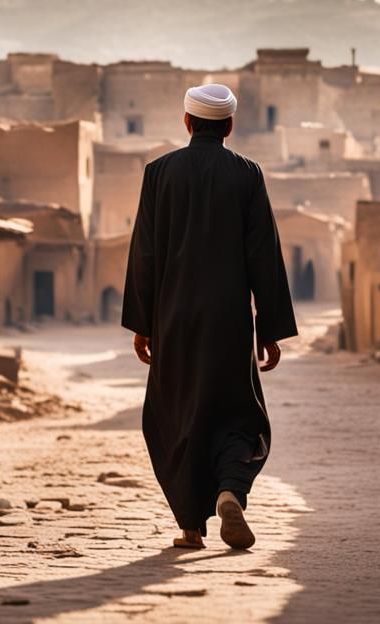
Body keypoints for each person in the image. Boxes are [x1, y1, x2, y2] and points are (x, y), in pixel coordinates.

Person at [122, 83, 297, 550]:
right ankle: (229, 490)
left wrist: (143, 323)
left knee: (175, 418)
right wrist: (271, 328)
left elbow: (144, 254)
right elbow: (265, 255)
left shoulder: (159, 174)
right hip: (229, 323)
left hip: (173, 322)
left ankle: (189, 527)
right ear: (230, 126)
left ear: (187, 122)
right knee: (239, 415)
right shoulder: (247, 174)